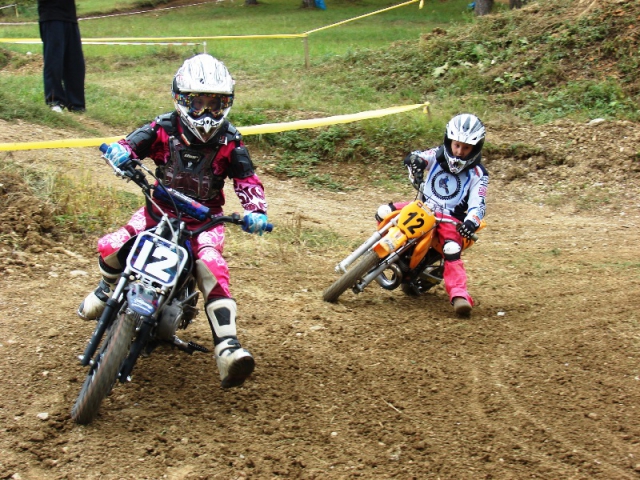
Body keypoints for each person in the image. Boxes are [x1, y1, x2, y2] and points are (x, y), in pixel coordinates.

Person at [78, 54, 269, 388]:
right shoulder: (164, 128)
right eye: (199, 102)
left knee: (213, 266)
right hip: (157, 212)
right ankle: (107, 288)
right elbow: (129, 144)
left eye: (215, 104)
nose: (207, 112)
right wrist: (121, 154)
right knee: (110, 245)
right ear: (182, 99)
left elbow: (247, 180)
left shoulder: (231, 141)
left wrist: (256, 212)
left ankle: (227, 348)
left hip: (204, 224)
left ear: (226, 104)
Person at [376, 113, 488, 317]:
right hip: (422, 207)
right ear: (449, 141)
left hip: (449, 219)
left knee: (452, 248)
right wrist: (414, 161)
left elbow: (478, 204)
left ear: (476, 148)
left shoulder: (478, 174)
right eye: (456, 145)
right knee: (384, 211)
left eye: (466, 148)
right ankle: (378, 252)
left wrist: (470, 222)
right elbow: (418, 156)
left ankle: (459, 294)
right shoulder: (437, 154)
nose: (459, 151)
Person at [37, 0, 86, 112]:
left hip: (70, 17)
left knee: (76, 63)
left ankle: (76, 105)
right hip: (51, 16)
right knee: (54, 61)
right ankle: (55, 101)